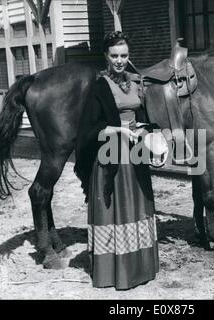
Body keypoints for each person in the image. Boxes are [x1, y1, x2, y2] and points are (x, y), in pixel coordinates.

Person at [74, 31, 159, 290]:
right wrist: (120, 130)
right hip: (111, 155)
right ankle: (116, 273)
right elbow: (89, 128)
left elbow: (142, 115)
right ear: (106, 57)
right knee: (117, 209)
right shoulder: (99, 86)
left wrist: (146, 130)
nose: (120, 60)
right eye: (114, 56)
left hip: (135, 154)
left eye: (123, 55)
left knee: (137, 206)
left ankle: (140, 267)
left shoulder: (134, 84)